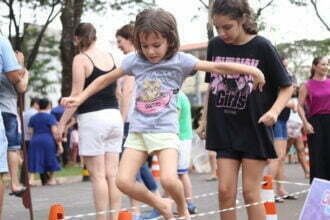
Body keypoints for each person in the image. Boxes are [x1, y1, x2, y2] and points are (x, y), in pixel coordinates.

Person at [61, 8, 265, 220]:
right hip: (139, 131)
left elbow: (216, 66)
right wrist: (80, 97)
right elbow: (105, 79)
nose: (150, 51)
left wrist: (250, 70)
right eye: (145, 45)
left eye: (156, 45)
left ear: (170, 39)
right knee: (122, 181)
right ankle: (160, 203)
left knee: (168, 179)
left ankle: (182, 208)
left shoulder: (180, 61)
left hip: (165, 131)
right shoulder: (135, 61)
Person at [198, 1, 293, 219]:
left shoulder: (262, 46)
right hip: (223, 127)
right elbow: (211, 87)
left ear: (241, 19)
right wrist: (204, 121)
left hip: (254, 128)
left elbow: (287, 87)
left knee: (251, 193)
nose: (222, 33)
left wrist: (274, 112)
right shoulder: (215, 45)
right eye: (218, 27)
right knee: (224, 192)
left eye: (227, 27)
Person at [58, 23, 123, 220]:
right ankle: (115, 217)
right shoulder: (111, 57)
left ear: (77, 39)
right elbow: (117, 92)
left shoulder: (81, 59)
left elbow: (76, 95)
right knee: (113, 174)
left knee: (97, 175)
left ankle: (101, 218)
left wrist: (62, 123)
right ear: (95, 37)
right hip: (114, 116)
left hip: (93, 118)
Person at [116, 24, 160, 220]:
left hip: (131, 119)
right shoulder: (139, 59)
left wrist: (121, 120)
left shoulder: (131, 60)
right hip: (136, 118)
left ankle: (141, 208)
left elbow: (127, 93)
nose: (118, 45)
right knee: (139, 166)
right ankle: (153, 201)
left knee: (130, 167)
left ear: (129, 39)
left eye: (120, 41)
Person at [0, 35, 27, 219]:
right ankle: (15, 182)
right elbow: (21, 86)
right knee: (13, 147)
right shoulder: (2, 43)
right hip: (7, 110)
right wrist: (22, 66)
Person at [267, 56, 297, 203]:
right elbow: (273, 99)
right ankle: (267, 191)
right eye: (283, 63)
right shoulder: (272, 75)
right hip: (276, 120)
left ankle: (281, 189)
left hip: (284, 120)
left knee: (282, 158)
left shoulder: (284, 74)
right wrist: (288, 104)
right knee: (276, 157)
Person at [298, 56, 330, 183]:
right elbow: (299, 106)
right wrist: (305, 123)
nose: (326, 67)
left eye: (327, 64)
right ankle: (318, 189)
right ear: (314, 66)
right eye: (323, 64)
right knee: (317, 156)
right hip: (315, 122)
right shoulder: (307, 85)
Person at [28, 98, 62, 185]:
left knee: (35, 158)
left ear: (39, 106)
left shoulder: (33, 117)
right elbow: (54, 132)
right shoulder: (50, 117)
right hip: (47, 140)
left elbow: (30, 132)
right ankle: (51, 179)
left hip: (35, 139)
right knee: (50, 158)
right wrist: (59, 144)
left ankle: (31, 179)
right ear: (48, 106)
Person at [176, 91, 197, 214]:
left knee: (181, 173)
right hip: (183, 138)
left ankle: (189, 204)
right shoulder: (180, 94)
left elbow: (174, 119)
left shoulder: (177, 96)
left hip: (181, 138)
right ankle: (188, 204)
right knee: (178, 174)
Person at [286, 86, 309, 178]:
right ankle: (278, 173)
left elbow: (302, 112)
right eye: (293, 87)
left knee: (300, 149)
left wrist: (304, 124)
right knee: (284, 151)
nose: (295, 89)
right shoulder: (286, 98)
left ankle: (307, 172)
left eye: (296, 88)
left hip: (297, 127)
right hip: (288, 127)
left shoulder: (300, 100)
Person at [22, 97, 39, 185]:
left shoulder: (24, 113)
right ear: (35, 104)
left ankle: (23, 179)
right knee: (32, 158)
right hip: (32, 138)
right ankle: (30, 179)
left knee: (25, 159)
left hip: (24, 138)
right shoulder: (36, 114)